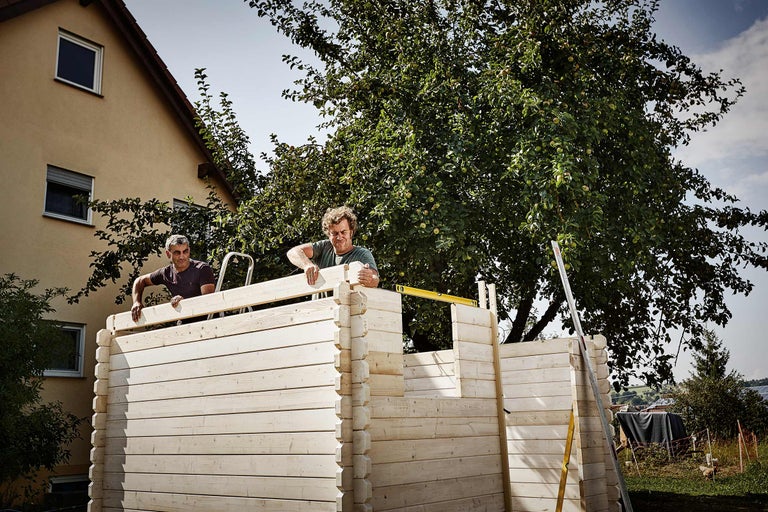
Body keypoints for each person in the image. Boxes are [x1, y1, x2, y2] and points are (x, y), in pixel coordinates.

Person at [287, 206, 380, 288]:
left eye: (343, 232)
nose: (339, 237)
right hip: (321, 306)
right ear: (328, 234)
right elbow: (293, 252)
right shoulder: (323, 247)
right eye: (335, 233)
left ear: (351, 232)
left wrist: (369, 278)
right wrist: (307, 265)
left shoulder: (362, 254)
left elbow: (375, 279)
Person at [130, 234, 216, 322]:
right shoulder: (166, 273)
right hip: (184, 324)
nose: (182, 256)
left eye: (185, 251)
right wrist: (137, 302)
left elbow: (208, 302)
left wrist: (184, 302)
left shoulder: (202, 269)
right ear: (168, 254)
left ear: (189, 250)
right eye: (177, 253)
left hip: (208, 323)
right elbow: (140, 281)